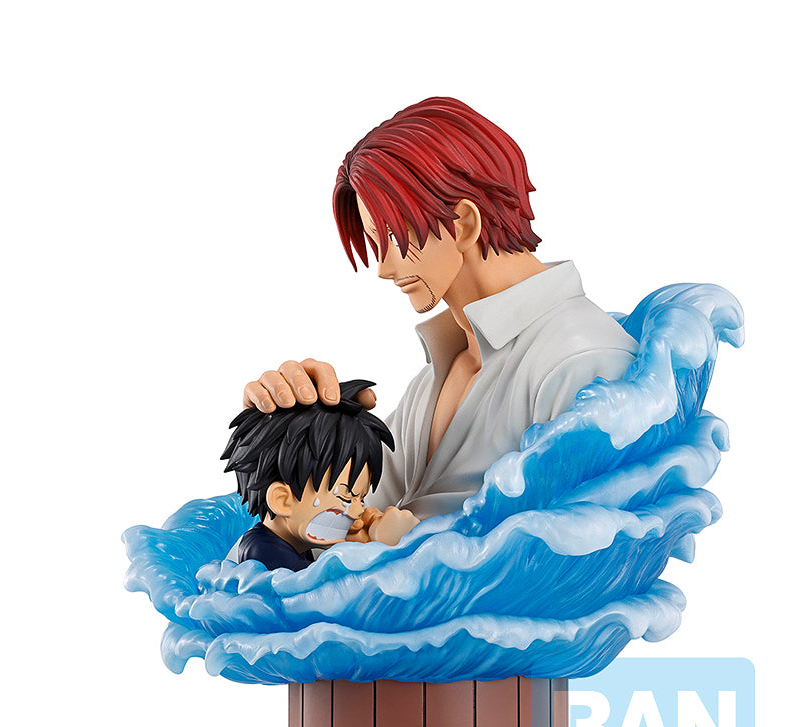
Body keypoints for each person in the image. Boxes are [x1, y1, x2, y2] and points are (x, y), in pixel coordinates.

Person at [243, 97, 638, 531]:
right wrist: (286, 433)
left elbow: (566, 547)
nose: (384, 268)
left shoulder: (581, 362)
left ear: (463, 223)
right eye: (376, 243)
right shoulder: (437, 375)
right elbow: (336, 520)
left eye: (393, 237)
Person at [222, 379, 412, 570]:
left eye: (360, 500)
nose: (358, 512)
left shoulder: (287, 544)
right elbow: (324, 587)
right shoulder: (266, 555)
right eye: (346, 498)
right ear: (282, 500)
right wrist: (382, 550)